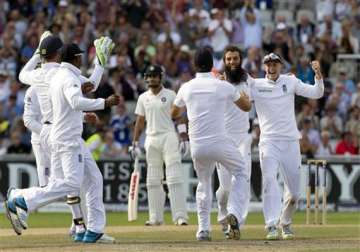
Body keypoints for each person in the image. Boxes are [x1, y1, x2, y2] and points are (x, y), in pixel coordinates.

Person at [5, 43, 120, 244]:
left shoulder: (50, 75)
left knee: (93, 178)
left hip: (59, 132)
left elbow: (62, 101)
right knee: (71, 183)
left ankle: (93, 230)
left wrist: (37, 52)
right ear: (70, 57)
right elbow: (78, 98)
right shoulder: (65, 75)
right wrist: (105, 102)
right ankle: (22, 198)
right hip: (65, 137)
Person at [171, 47, 251, 241]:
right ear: (214, 65)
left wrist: (191, 110)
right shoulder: (223, 85)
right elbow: (246, 106)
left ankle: (203, 229)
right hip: (220, 142)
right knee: (241, 172)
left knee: (204, 183)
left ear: (194, 65)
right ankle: (233, 212)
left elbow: (173, 113)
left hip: (197, 144)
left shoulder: (187, 86)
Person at [250, 53, 324, 240]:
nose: (271, 67)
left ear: (280, 66)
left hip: (290, 141)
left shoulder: (290, 81)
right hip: (268, 142)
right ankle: (271, 225)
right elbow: (234, 93)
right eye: (268, 64)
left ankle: (286, 223)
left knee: (294, 194)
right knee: (269, 181)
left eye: (275, 64)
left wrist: (318, 75)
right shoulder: (255, 85)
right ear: (264, 66)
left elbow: (317, 93)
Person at [129, 65, 188, 226]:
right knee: (152, 180)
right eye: (148, 76)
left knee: (174, 178)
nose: (151, 79)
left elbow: (180, 118)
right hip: (151, 138)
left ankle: (180, 216)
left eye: (154, 76)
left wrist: (184, 137)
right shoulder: (143, 97)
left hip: (168, 136)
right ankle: (155, 217)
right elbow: (140, 121)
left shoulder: (170, 95)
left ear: (161, 77)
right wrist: (134, 142)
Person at [215, 45, 253, 236]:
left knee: (243, 178)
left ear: (241, 59)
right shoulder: (218, 82)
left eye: (235, 59)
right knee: (225, 188)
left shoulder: (249, 80)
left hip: (243, 138)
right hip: (223, 138)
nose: (232, 62)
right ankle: (223, 211)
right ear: (224, 60)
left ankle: (236, 219)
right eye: (228, 59)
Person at [23, 86, 48, 186]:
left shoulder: (57, 83)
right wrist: (48, 133)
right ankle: (17, 196)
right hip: (41, 138)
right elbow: (28, 121)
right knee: (45, 174)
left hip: (59, 137)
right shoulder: (33, 91)